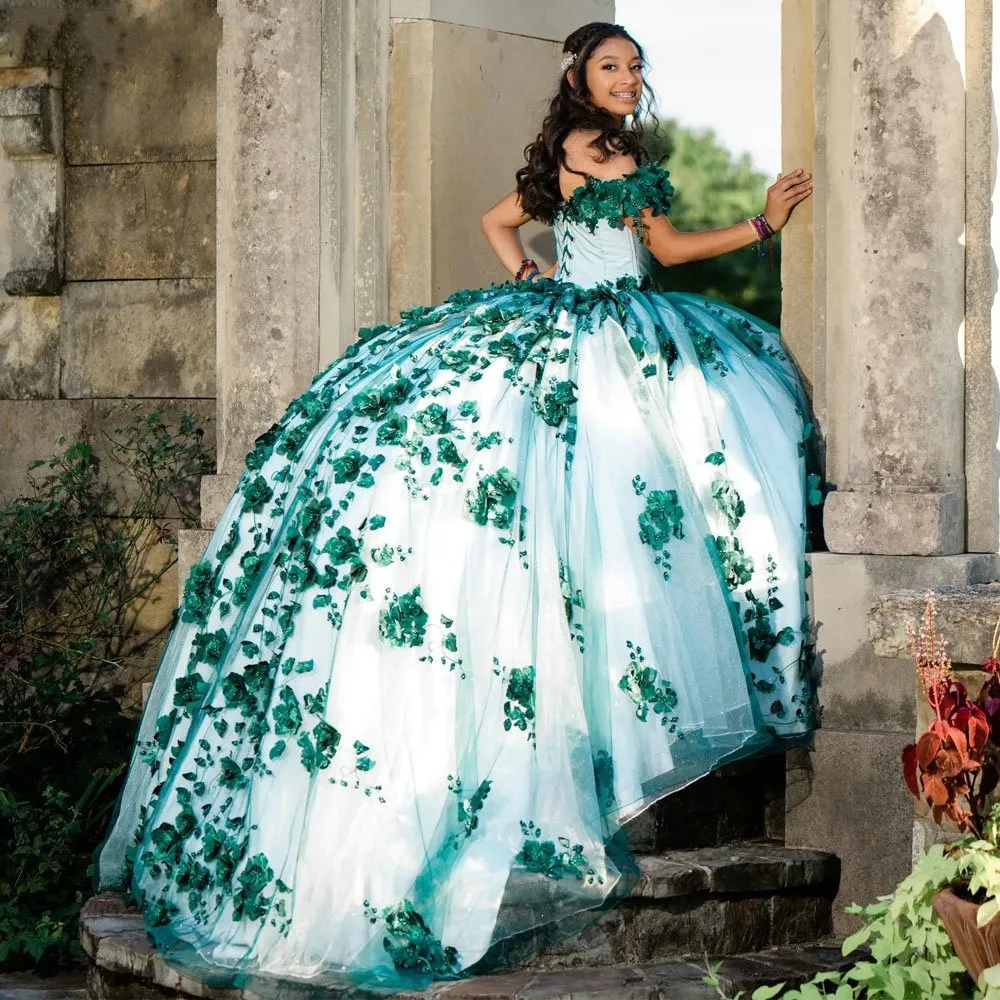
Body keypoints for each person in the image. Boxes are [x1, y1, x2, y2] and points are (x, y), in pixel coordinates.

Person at [94, 20, 815, 995]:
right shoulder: (595, 147)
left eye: (635, 64)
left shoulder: (592, 151)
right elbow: (668, 248)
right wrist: (761, 225)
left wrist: (532, 270)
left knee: (608, 530)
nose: (628, 76)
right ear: (578, 77)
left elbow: (501, 225)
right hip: (599, 343)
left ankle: (590, 735)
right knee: (616, 515)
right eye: (612, 65)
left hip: (597, 328)